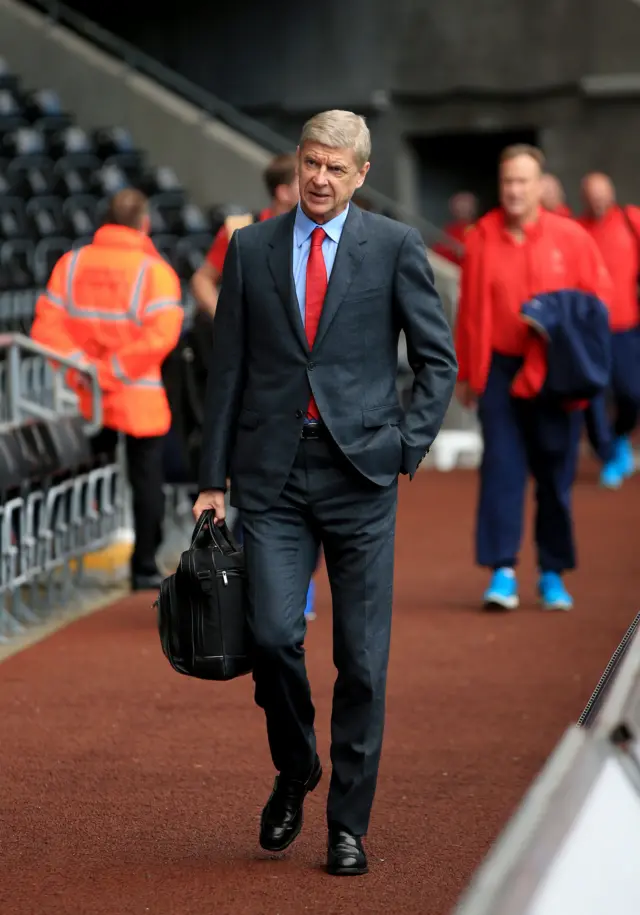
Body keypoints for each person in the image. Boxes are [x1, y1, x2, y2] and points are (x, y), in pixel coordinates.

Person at [193, 109, 457, 875]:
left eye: (336, 168)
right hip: (271, 478)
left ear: (362, 174)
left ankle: (347, 823)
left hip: (362, 477)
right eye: (311, 162)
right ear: (297, 163)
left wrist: (406, 447)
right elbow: (229, 373)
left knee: (363, 662)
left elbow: (436, 360)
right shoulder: (251, 248)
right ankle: (297, 765)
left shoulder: (396, 246)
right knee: (272, 638)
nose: (319, 178)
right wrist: (213, 479)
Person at [455, 145, 611, 613]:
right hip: (502, 371)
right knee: (501, 468)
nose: (514, 190)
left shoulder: (572, 237)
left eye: (523, 181)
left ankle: (551, 572)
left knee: (555, 475)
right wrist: (469, 372)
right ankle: (502, 571)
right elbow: (470, 311)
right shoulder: (481, 236)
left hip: (556, 372)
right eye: (507, 182)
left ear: (540, 185)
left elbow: (595, 307)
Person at [31, 189, 183, 591]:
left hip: (81, 394)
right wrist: (112, 371)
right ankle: (145, 567)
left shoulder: (71, 263)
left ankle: (47, 560)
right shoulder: (155, 272)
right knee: (146, 480)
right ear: (144, 224)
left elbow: (45, 325)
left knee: (71, 474)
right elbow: (163, 334)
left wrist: (83, 370)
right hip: (136, 393)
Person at [578, 173, 640, 488]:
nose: (598, 199)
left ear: (612, 192)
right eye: (592, 194)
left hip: (626, 326)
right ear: (584, 197)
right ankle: (609, 453)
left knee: (632, 393)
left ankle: (619, 439)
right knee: (592, 396)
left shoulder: (631, 221)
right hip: (589, 330)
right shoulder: (578, 231)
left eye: (603, 193)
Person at [190, 153, 299, 316]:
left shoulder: (316, 235)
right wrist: (225, 321)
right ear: (284, 193)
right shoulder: (239, 228)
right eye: (303, 181)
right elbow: (202, 280)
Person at [432, 191, 478, 266]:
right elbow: (438, 253)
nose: (463, 208)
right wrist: (454, 251)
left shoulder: (480, 228)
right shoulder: (448, 230)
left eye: (466, 204)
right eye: (460, 204)